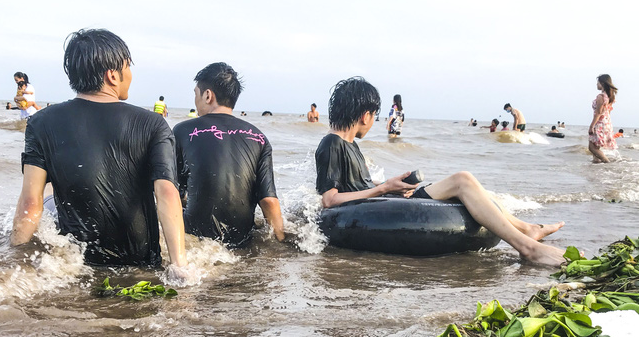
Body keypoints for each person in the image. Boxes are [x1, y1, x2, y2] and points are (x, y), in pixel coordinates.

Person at [315, 77, 566, 266]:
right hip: (371, 210)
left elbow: (360, 185)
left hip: (391, 200)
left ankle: (527, 229)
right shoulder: (332, 143)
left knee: (470, 187)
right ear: (365, 115)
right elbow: (330, 200)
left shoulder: (350, 145)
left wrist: (392, 185)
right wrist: (383, 189)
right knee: (463, 180)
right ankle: (528, 248)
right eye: (373, 117)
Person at [11, 28, 187, 272]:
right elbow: (167, 193)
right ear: (112, 75)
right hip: (141, 262)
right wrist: (180, 267)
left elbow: (30, 204)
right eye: (128, 67)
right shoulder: (152, 123)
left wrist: (16, 266)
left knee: (49, 193)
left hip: (78, 265)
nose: (131, 74)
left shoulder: (41, 123)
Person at [173, 62, 284, 246]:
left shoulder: (182, 131)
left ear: (208, 95)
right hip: (242, 242)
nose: (195, 100)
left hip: (198, 243)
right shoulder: (259, 137)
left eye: (196, 93)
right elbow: (269, 201)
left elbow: (172, 192)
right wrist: (282, 245)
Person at [588, 74, 618, 163]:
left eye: (598, 83)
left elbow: (598, 113)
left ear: (603, 83)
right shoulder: (609, 97)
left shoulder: (601, 97)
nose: (597, 85)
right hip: (607, 123)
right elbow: (608, 111)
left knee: (592, 147)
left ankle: (607, 163)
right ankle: (596, 166)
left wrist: (591, 126)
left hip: (600, 123)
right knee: (596, 147)